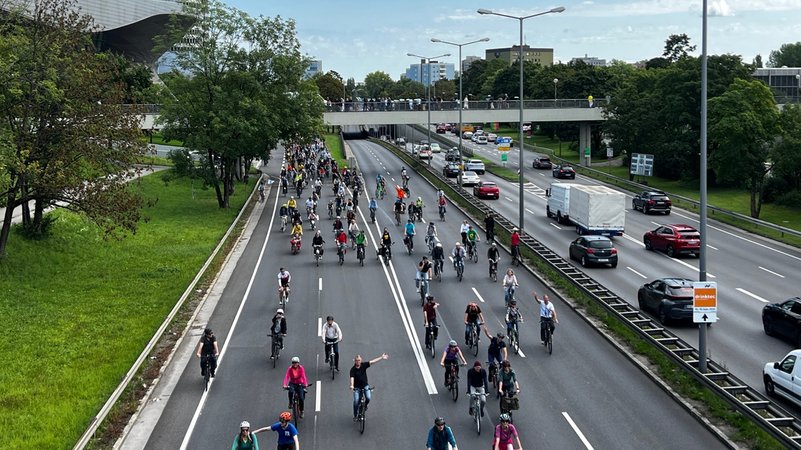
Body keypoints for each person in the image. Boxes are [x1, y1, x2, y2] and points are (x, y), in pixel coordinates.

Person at [350, 353, 389, 420]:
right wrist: (352, 385)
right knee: (356, 401)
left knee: (368, 398)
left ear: (361, 360)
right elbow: (352, 378)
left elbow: (373, 361)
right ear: (355, 361)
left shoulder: (364, 365)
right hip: (357, 388)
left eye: (359, 360)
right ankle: (355, 415)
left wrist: (381, 357)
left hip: (365, 386)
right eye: (357, 360)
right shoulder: (352, 370)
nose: (358, 362)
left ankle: (365, 406)